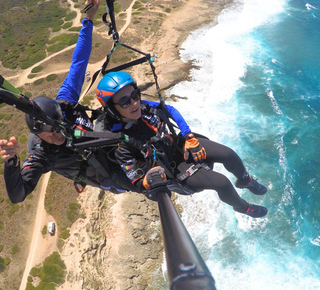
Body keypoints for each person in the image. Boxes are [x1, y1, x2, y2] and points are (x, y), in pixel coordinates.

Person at [0, 0, 134, 204]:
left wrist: (88, 19)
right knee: (133, 181)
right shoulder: (42, 154)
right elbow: (18, 195)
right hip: (102, 172)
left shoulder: (65, 101)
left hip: (106, 142)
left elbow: (79, 61)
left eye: (55, 131)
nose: (55, 138)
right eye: (48, 137)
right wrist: (11, 162)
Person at [94, 71, 268, 218]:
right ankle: (242, 206)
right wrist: (148, 180)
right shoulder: (119, 140)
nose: (134, 103)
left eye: (135, 95)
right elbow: (136, 180)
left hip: (179, 146)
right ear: (111, 108)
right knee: (221, 183)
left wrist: (188, 135)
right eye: (125, 102)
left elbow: (170, 110)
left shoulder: (144, 107)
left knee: (229, 154)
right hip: (174, 170)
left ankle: (245, 181)